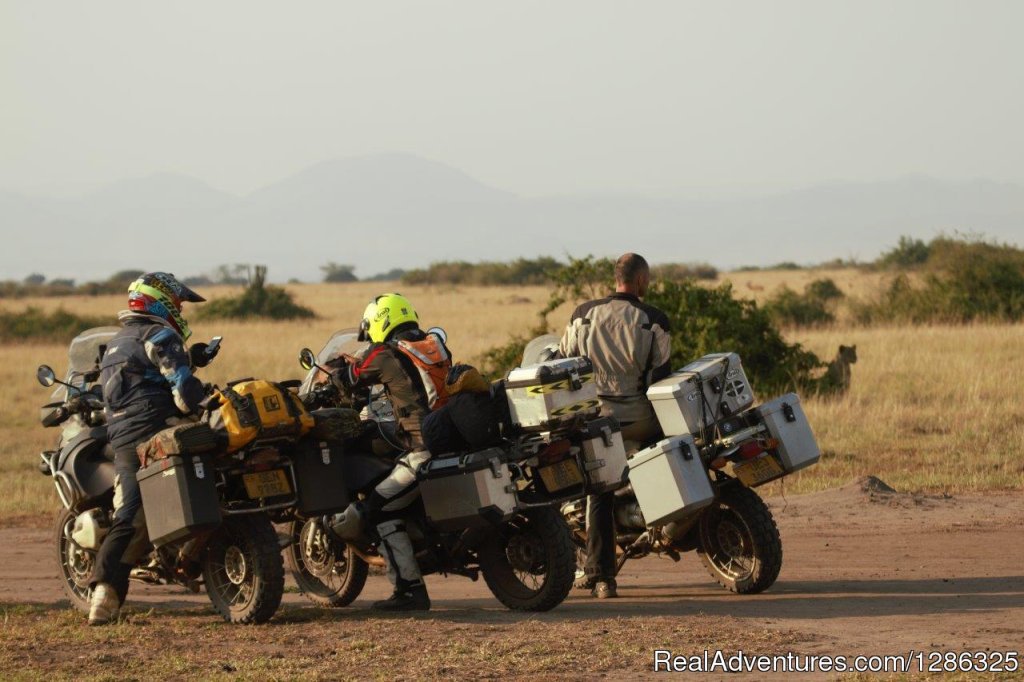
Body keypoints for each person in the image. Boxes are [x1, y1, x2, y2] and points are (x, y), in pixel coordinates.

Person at [88, 272, 216, 625]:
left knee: (127, 513)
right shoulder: (159, 334)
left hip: (125, 441)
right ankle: (193, 553)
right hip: (161, 429)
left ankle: (104, 595)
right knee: (223, 467)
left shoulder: (115, 344)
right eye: (177, 303)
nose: (180, 309)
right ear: (159, 301)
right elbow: (183, 390)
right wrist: (205, 403)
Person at [558, 253, 671, 598]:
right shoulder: (653, 319)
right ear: (640, 282)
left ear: (615, 280)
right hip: (640, 420)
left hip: (597, 421)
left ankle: (601, 575)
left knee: (599, 491)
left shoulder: (583, 315)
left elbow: (563, 363)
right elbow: (659, 379)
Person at [331, 293, 452, 611]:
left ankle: (409, 590)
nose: (369, 335)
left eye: (370, 328)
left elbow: (350, 380)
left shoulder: (383, 353)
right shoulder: (432, 344)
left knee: (379, 509)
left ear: (379, 323)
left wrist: (337, 370)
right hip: (451, 441)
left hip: (423, 450)